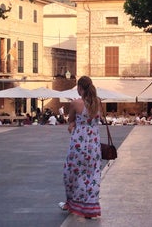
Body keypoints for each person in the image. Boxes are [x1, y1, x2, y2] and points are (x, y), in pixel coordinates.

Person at [59, 76, 102, 219]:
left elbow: (71, 122)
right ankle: (90, 207)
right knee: (92, 175)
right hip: (94, 145)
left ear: (79, 87)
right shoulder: (98, 102)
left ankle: (71, 204)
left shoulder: (75, 103)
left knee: (71, 173)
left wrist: (72, 127)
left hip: (79, 144)